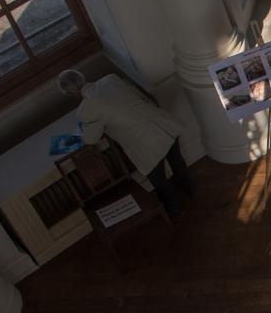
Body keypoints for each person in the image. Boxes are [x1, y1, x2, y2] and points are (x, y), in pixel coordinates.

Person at [58, 69, 195, 216]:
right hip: (161, 124)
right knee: (177, 161)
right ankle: (189, 189)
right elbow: (142, 97)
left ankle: (174, 209)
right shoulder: (110, 78)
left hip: (143, 142)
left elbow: (90, 139)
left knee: (159, 179)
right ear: (82, 77)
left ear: (70, 93)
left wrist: (92, 125)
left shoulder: (85, 110)